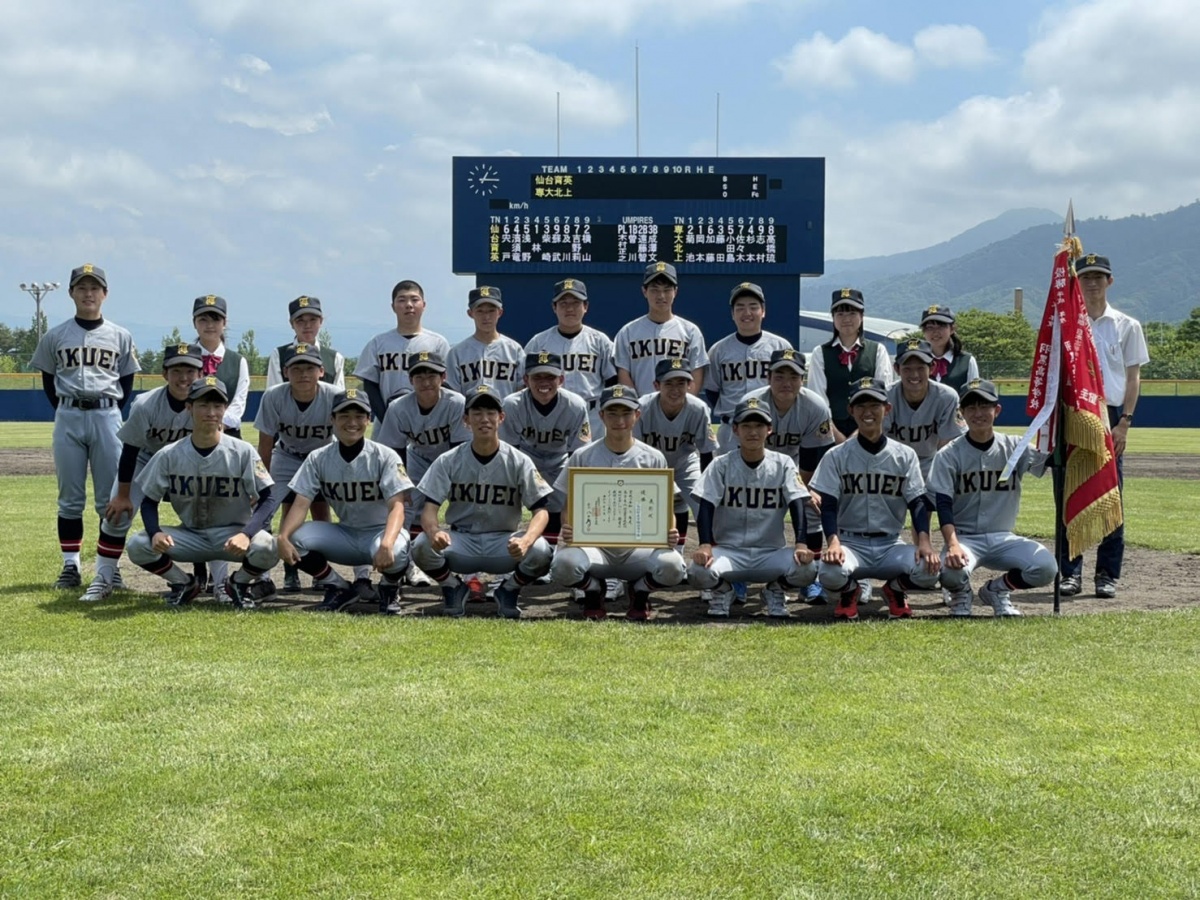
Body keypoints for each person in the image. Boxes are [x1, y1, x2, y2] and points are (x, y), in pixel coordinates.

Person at [32, 263, 141, 594]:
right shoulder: (55, 336)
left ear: (105, 294)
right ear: (71, 293)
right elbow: (49, 381)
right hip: (68, 415)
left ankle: (111, 568)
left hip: (107, 415)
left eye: (95, 287)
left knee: (110, 498)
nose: (88, 293)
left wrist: (106, 412)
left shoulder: (120, 335)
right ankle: (71, 565)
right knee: (69, 498)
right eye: (82, 287)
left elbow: (126, 381)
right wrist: (68, 409)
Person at [125, 376, 279, 609]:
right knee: (138, 543)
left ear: (225, 409)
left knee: (269, 546)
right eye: (203, 405)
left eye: (217, 406)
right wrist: (155, 532)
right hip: (191, 536)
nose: (211, 412)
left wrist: (247, 534)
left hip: (232, 536)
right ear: (189, 408)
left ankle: (237, 583)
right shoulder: (169, 454)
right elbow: (149, 501)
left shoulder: (242, 451)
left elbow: (268, 497)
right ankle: (184, 583)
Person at [410, 384, 554, 619]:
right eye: (477, 413)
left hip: (503, 542)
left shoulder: (519, 460)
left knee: (541, 551)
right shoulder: (449, 460)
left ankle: (509, 590)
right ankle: (453, 587)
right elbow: (429, 509)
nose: (484, 419)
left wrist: (526, 540)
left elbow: (541, 511)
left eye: (490, 413)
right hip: (461, 541)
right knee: (421, 545)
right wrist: (434, 531)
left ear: (501, 417)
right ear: (466, 420)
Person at [549, 385, 687, 620]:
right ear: (601, 415)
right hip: (596, 550)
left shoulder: (653, 457)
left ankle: (640, 591)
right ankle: (594, 590)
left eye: (626, 412)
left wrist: (669, 529)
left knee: (673, 566)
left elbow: (666, 508)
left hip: (638, 550)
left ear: (637, 415)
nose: (619, 419)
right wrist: (569, 528)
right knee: (563, 565)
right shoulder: (583, 456)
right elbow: (569, 506)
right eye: (612, 413)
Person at [808, 377, 940, 621]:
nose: (867, 412)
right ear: (851, 410)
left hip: (890, 543)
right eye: (861, 406)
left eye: (875, 405)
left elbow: (917, 502)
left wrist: (924, 541)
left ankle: (894, 590)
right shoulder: (836, 455)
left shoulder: (904, 455)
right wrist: (834, 543)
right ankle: (850, 592)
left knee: (929, 569)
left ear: (886, 409)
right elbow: (828, 505)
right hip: (850, 542)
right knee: (828, 572)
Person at [1058, 253, 1150, 599]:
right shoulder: (1067, 327)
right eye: (1086, 277)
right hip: (1075, 415)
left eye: (1099, 276)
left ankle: (1107, 575)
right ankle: (1070, 573)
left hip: (1110, 415)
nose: (1092, 283)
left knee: (1112, 496)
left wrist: (1125, 421)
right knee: (1069, 493)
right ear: (1077, 282)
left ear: (1110, 281)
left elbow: (1133, 376)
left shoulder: (1127, 325)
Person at [277, 389, 414, 615]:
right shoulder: (318, 457)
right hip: (346, 534)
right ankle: (338, 586)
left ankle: (390, 589)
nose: (352, 422)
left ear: (368, 420)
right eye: (344, 416)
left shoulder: (385, 455)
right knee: (293, 538)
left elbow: (397, 507)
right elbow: (301, 504)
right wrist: (282, 536)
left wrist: (387, 542)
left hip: (381, 533)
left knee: (397, 550)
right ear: (332, 420)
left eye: (359, 416)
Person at [931, 379, 1056, 617]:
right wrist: (953, 544)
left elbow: (1052, 460)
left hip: (1003, 537)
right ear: (962, 414)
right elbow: (943, 505)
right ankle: (962, 593)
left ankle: (996, 590)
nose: (978, 413)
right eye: (971, 408)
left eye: (984, 406)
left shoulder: (1015, 446)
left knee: (1045, 568)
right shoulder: (948, 454)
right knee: (949, 570)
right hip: (965, 538)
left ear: (996, 410)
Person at [90, 343, 202, 602]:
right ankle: (104, 578)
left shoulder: (206, 402)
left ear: (199, 374)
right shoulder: (146, 404)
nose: (183, 377)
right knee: (116, 516)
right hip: (145, 459)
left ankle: (219, 584)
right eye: (176, 371)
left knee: (210, 517)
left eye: (189, 370)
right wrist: (123, 495)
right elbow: (130, 451)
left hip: (187, 464)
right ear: (165, 374)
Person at [688, 396, 818, 618]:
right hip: (729, 551)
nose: (753, 432)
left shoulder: (783, 463)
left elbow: (797, 502)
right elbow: (706, 505)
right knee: (696, 571)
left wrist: (801, 543)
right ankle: (724, 591)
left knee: (808, 569)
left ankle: (775, 591)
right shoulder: (721, 464)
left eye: (759, 425)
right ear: (735, 430)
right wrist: (705, 545)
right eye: (746, 426)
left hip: (771, 552)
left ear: (769, 429)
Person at [743, 349, 835, 601]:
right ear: (768, 376)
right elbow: (737, 453)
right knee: (741, 509)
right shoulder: (752, 402)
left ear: (802, 379)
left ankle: (810, 577)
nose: (786, 382)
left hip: (797, 468)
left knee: (811, 508)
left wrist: (802, 492)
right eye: (779, 375)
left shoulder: (814, 406)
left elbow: (813, 456)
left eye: (793, 376)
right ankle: (737, 577)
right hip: (754, 466)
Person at [253, 343, 339, 591]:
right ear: (286, 371)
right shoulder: (274, 396)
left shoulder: (333, 396)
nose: (303, 373)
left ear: (321, 371)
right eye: (297, 368)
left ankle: (320, 572)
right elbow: (266, 443)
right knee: (273, 509)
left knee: (321, 513)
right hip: (287, 455)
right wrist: (263, 483)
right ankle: (273, 573)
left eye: (310, 368)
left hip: (322, 456)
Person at [373, 352, 469, 546]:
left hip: (452, 459)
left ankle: (466, 556)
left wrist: (453, 483)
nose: (426, 383)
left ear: (443, 377)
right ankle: (403, 556)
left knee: (465, 504)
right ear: (410, 380)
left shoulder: (457, 402)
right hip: (418, 457)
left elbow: (459, 450)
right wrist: (401, 485)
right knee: (406, 505)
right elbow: (394, 452)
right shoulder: (398, 407)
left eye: (432, 376)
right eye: (419, 377)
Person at [499, 351, 591, 548]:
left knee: (560, 507)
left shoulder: (575, 405)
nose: (544, 383)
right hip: (524, 461)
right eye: (537, 377)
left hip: (559, 462)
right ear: (525, 379)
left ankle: (554, 554)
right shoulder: (512, 404)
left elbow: (579, 454)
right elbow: (509, 452)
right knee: (505, 506)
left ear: (561, 380)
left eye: (550, 377)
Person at [633, 358, 717, 552]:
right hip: (648, 465)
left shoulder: (698, 408)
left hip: (684, 463)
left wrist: (706, 488)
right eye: (668, 383)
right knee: (642, 507)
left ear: (690, 385)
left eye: (681, 383)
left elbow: (706, 451)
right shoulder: (641, 407)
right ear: (656, 385)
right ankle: (635, 554)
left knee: (702, 504)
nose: (675, 389)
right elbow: (634, 450)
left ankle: (708, 552)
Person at [704, 282, 793, 453]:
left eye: (753, 307)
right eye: (740, 308)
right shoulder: (718, 349)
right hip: (731, 429)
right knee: (728, 477)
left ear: (763, 311)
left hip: (770, 428)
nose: (747, 313)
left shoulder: (780, 346)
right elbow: (712, 390)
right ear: (732, 314)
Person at [524, 278, 617, 439]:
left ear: (585, 306)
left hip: (592, 414)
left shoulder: (600, 340)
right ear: (554, 307)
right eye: (563, 303)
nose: (569, 309)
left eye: (575, 303)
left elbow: (612, 381)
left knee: (589, 462)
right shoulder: (539, 342)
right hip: (552, 413)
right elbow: (524, 381)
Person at [354, 279, 451, 421]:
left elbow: (445, 385)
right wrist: (387, 418)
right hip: (386, 420)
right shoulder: (378, 343)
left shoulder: (437, 343)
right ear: (393, 306)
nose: (409, 305)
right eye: (402, 300)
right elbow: (370, 386)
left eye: (414, 299)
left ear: (423, 305)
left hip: (429, 422)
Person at [807, 288, 895, 441]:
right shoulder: (820, 353)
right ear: (833, 317)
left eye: (852, 313)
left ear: (862, 316)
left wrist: (857, 435)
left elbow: (884, 392)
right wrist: (837, 436)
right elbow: (818, 400)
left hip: (869, 428)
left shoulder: (878, 350)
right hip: (830, 432)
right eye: (840, 314)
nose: (846, 319)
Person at [614, 261, 709, 396]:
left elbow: (697, 372)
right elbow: (623, 373)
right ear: (644, 291)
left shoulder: (690, 331)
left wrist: (685, 406)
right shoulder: (628, 332)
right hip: (640, 408)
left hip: (679, 407)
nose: (661, 296)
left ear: (675, 291)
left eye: (667, 290)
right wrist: (635, 406)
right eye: (655, 290)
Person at [882, 339, 966, 482]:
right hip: (891, 464)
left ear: (932, 367)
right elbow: (876, 438)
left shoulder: (946, 397)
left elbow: (950, 443)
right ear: (897, 369)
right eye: (907, 368)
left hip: (931, 464)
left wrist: (943, 475)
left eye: (921, 368)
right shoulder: (885, 397)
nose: (914, 374)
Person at [445, 286, 525, 398]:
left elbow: (522, 390)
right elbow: (452, 394)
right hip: (471, 413)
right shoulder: (457, 352)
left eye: (491, 311)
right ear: (470, 313)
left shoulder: (514, 349)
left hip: (507, 414)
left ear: (500, 312)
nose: (486, 317)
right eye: (480, 311)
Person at [191, 294, 249, 438]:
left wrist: (217, 423)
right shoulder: (185, 359)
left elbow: (238, 405)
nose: (210, 325)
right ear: (194, 323)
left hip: (229, 436)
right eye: (203, 320)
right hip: (189, 435)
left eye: (216, 320)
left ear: (224, 323)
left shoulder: (238, 361)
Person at [264, 295, 346, 389]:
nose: (307, 325)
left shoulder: (334, 359)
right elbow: (275, 395)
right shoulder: (279, 356)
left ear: (321, 321)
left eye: (313, 320)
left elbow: (339, 398)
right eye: (300, 321)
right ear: (291, 323)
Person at [920, 305, 978, 395]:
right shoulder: (918, 360)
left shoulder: (966, 361)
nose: (935, 332)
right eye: (930, 327)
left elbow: (974, 395)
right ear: (923, 331)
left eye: (941, 326)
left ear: (952, 329)